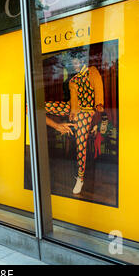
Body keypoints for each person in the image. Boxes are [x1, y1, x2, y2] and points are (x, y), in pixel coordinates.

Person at [45, 52, 104, 195]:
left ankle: (80, 178)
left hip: (88, 111)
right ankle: (43, 114)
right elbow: (74, 103)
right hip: (76, 110)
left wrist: (97, 116)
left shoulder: (92, 72)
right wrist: (72, 114)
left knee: (80, 144)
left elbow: (99, 94)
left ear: (82, 61)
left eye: (76, 63)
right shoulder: (73, 81)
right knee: (44, 106)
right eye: (73, 64)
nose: (74, 66)